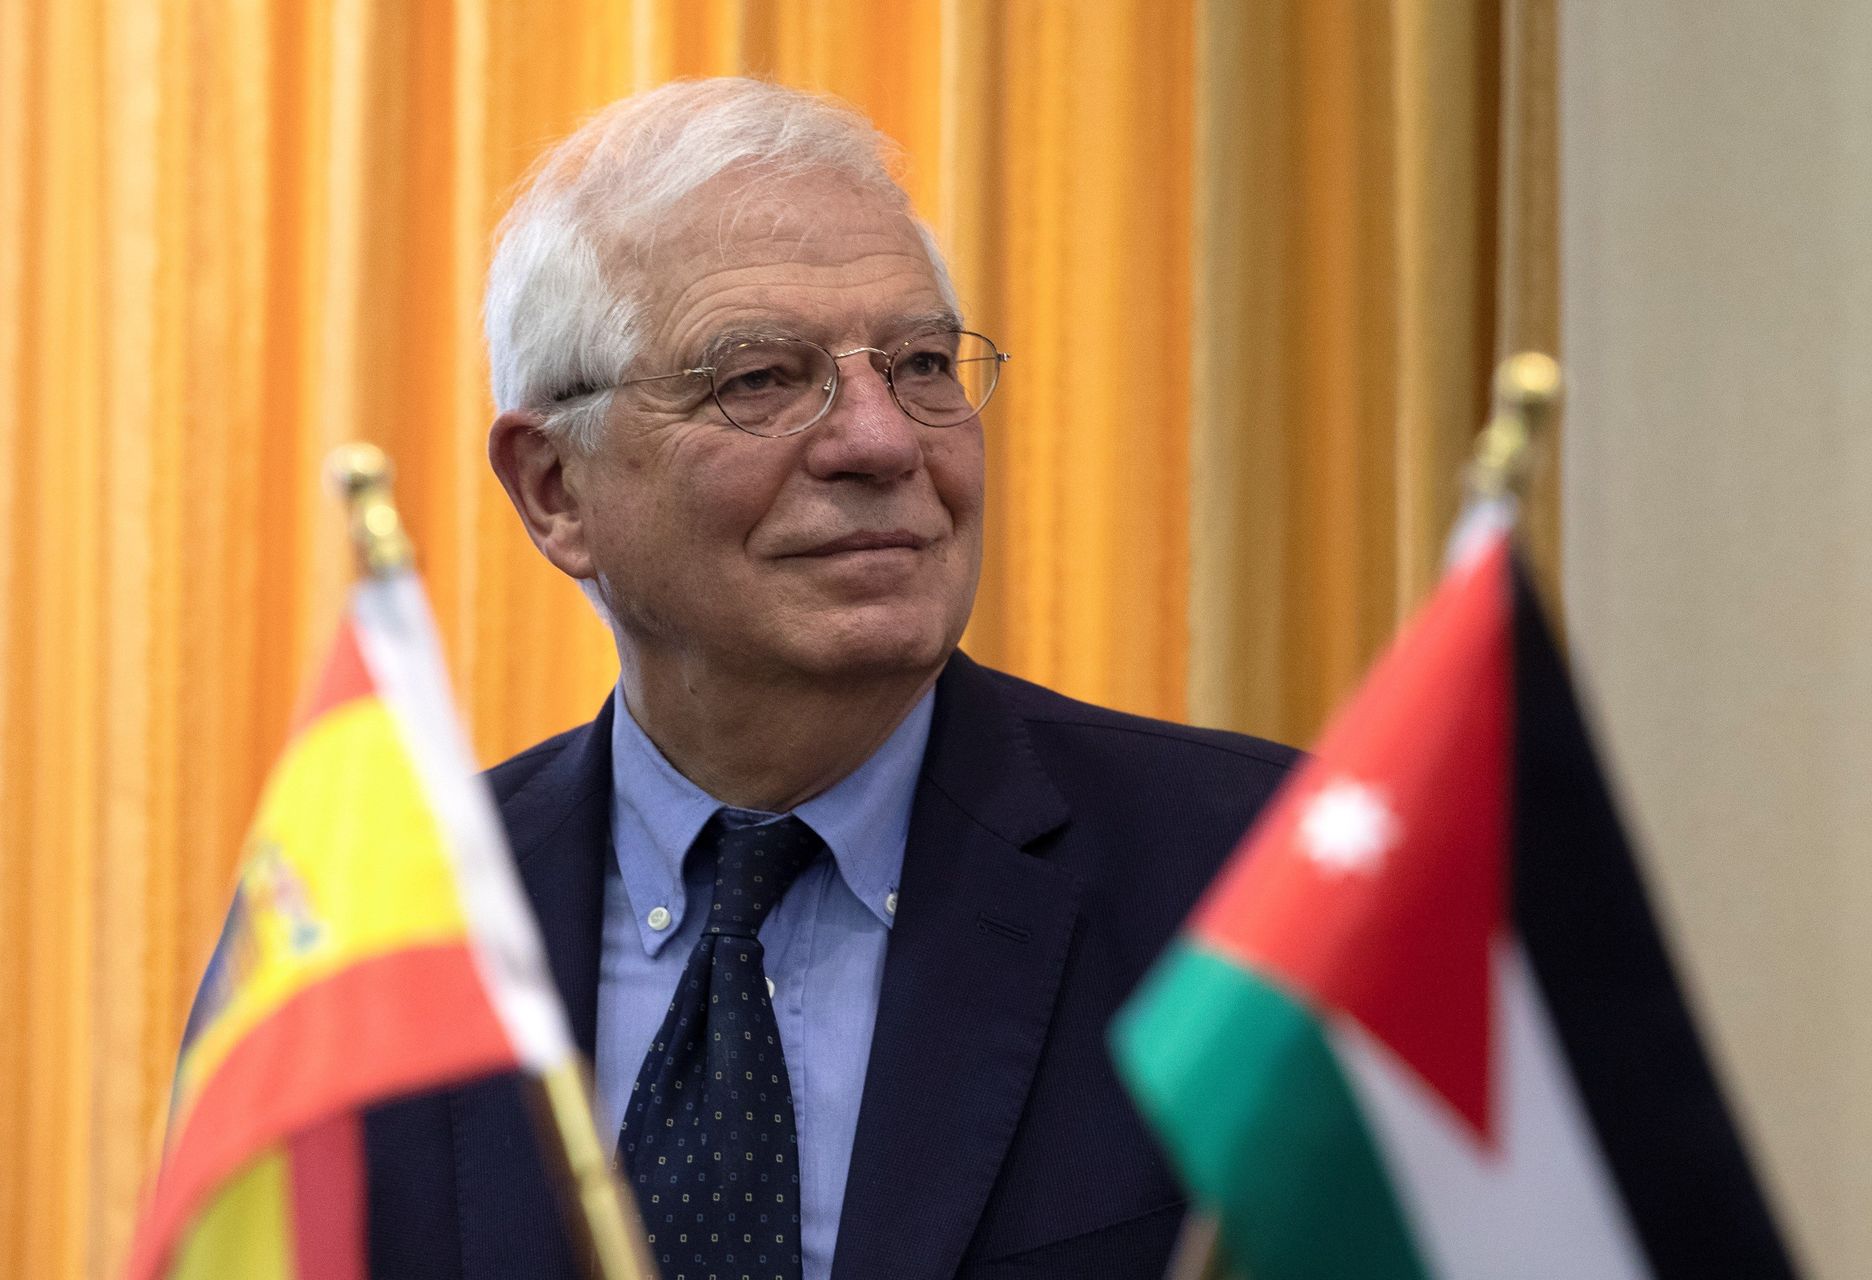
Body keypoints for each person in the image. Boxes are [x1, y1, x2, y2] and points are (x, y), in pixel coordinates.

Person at [363, 77, 1299, 1280]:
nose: (883, 439)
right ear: (555, 489)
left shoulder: (1260, 880)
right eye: (758, 376)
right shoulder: (378, 928)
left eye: (922, 364)